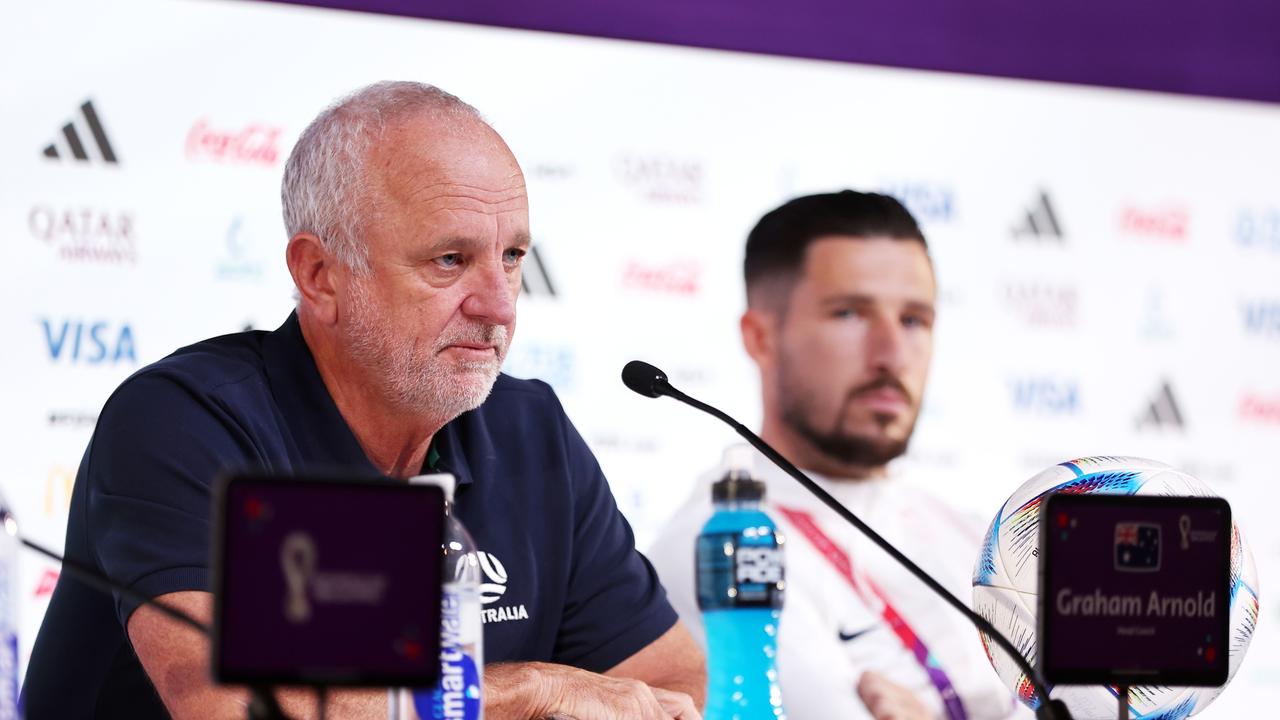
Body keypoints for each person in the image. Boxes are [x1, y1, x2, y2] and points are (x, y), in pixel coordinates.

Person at [23, 81, 705, 719]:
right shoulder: (184, 422)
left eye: (513, 257)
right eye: (449, 261)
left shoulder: (531, 431)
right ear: (319, 275)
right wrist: (531, 691)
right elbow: (236, 705)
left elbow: (676, 689)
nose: (498, 305)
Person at [649, 191, 1027, 720]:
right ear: (760, 338)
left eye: (915, 320)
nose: (892, 354)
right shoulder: (723, 544)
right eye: (849, 313)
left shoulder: (972, 535)